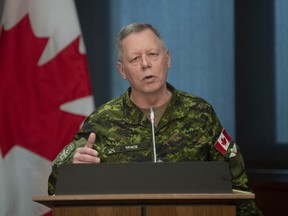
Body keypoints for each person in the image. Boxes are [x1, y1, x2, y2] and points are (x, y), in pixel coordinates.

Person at [48, 22, 262, 215]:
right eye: (135, 58)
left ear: (167, 59)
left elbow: (237, 184)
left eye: (152, 54)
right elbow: (55, 187)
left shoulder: (199, 113)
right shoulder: (102, 121)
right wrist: (74, 167)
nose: (145, 64)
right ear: (122, 71)